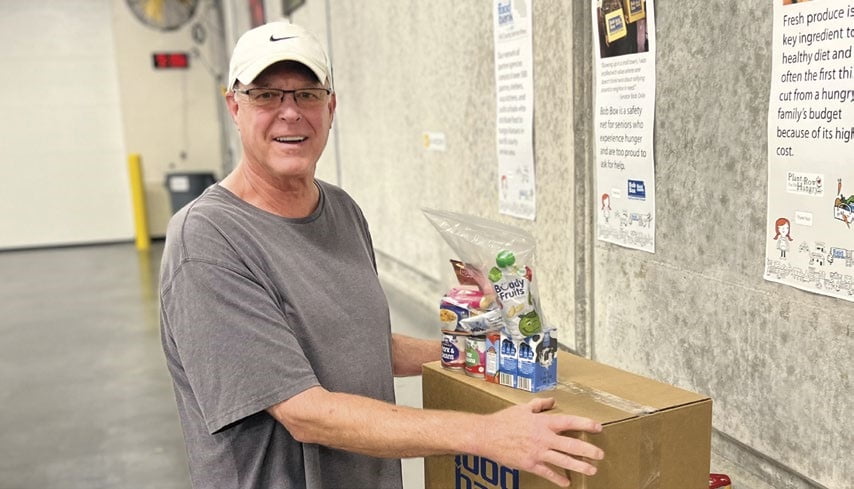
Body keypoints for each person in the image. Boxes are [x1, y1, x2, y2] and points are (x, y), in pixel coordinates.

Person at [159, 20, 604, 489]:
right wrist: (486, 433)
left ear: (330, 107)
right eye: (266, 95)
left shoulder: (342, 211)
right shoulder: (207, 240)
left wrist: (484, 353)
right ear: (234, 106)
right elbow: (304, 412)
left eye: (307, 94)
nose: (290, 112)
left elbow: (364, 345)